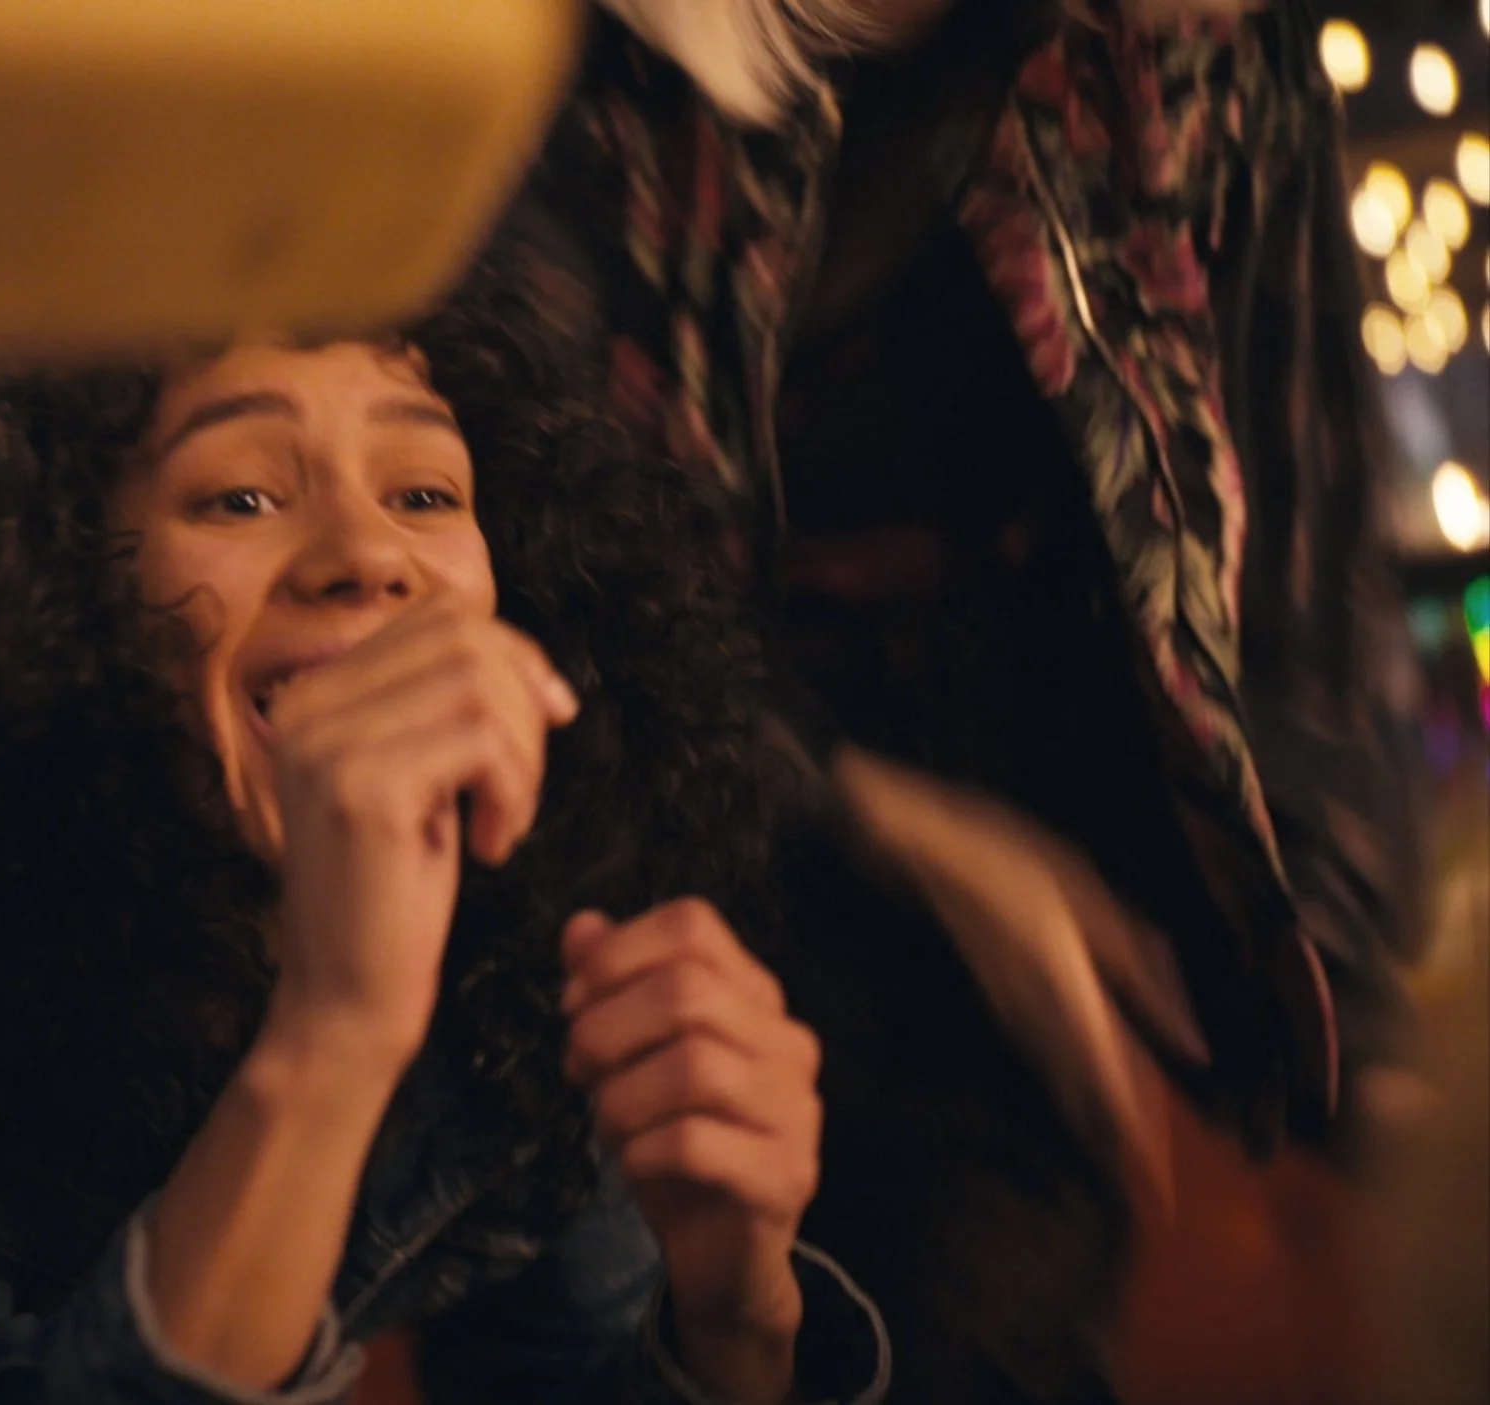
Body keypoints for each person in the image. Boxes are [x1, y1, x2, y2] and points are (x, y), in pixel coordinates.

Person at [0, 267, 891, 1404]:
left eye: (425, 492)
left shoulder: (532, 904)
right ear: (68, 589)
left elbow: (557, 1371)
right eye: (239, 495)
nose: (366, 556)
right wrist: (337, 1033)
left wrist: (734, 1320)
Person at [497, 0, 1424, 1399]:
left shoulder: (1204, 34)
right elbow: (530, 571)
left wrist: (1352, 1021)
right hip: (661, 788)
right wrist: (894, 823)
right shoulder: (557, 62)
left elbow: (1302, 568)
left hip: (1062, 773)